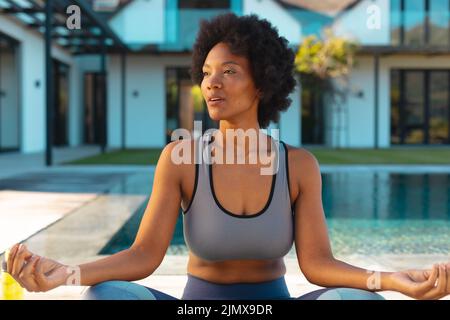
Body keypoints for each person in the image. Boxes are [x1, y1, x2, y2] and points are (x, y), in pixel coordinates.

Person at [5, 13, 449, 300]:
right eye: (206, 73)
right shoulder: (180, 158)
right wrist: (67, 272)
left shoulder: (298, 166)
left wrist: (389, 280)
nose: (211, 84)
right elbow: (143, 255)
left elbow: (317, 266)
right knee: (103, 297)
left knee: (361, 300)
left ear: (262, 84)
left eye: (229, 72)